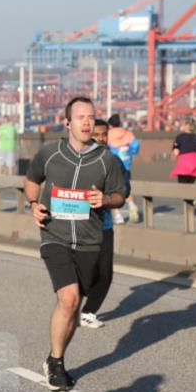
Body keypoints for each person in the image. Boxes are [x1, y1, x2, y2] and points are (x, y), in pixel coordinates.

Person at [24, 97, 126, 391]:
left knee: (74, 305)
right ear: (67, 123)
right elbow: (32, 180)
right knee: (68, 298)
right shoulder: (50, 153)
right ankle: (56, 363)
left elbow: (119, 194)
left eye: (91, 117)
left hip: (89, 240)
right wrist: (33, 204)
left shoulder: (107, 160)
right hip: (54, 235)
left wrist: (106, 200)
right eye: (80, 117)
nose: (86, 122)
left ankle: (55, 357)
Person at [80, 120, 117, 329]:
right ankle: (73, 304)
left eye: (105, 134)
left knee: (105, 273)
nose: (102, 138)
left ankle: (88, 312)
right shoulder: (80, 158)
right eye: (98, 134)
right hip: (80, 224)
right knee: (84, 272)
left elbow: (122, 189)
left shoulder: (112, 159)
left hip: (105, 225)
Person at [107, 113, 141, 224]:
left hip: (113, 166)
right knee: (127, 188)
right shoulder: (128, 133)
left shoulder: (108, 134)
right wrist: (130, 153)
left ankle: (118, 216)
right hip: (126, 165)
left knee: (113, 191)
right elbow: (135, 146)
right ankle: (132, 206)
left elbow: (105, 148)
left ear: (110, 125)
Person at [170, 118, 196, 184]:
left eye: (183, 124)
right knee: (190, 186)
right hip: (195, 164)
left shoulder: (179, 137)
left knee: (182, 187)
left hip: (184, 164)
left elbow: (176, 152)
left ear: (186, 126)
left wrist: (174, 148)